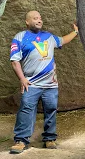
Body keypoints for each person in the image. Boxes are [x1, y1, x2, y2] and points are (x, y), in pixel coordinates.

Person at [9, 10, 78, 154]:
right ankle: (21, 140)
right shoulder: (20, 37)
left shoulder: (49, 36)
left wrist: (76, 32)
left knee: (51, 109)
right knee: (26, 110)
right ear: (27, 22)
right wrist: (22, 79)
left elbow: (62, 40)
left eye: (40, 18)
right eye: (35, 18)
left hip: (51, 84)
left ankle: (49, 139)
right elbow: (15, 61)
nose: (39, 20)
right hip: (31, 84)